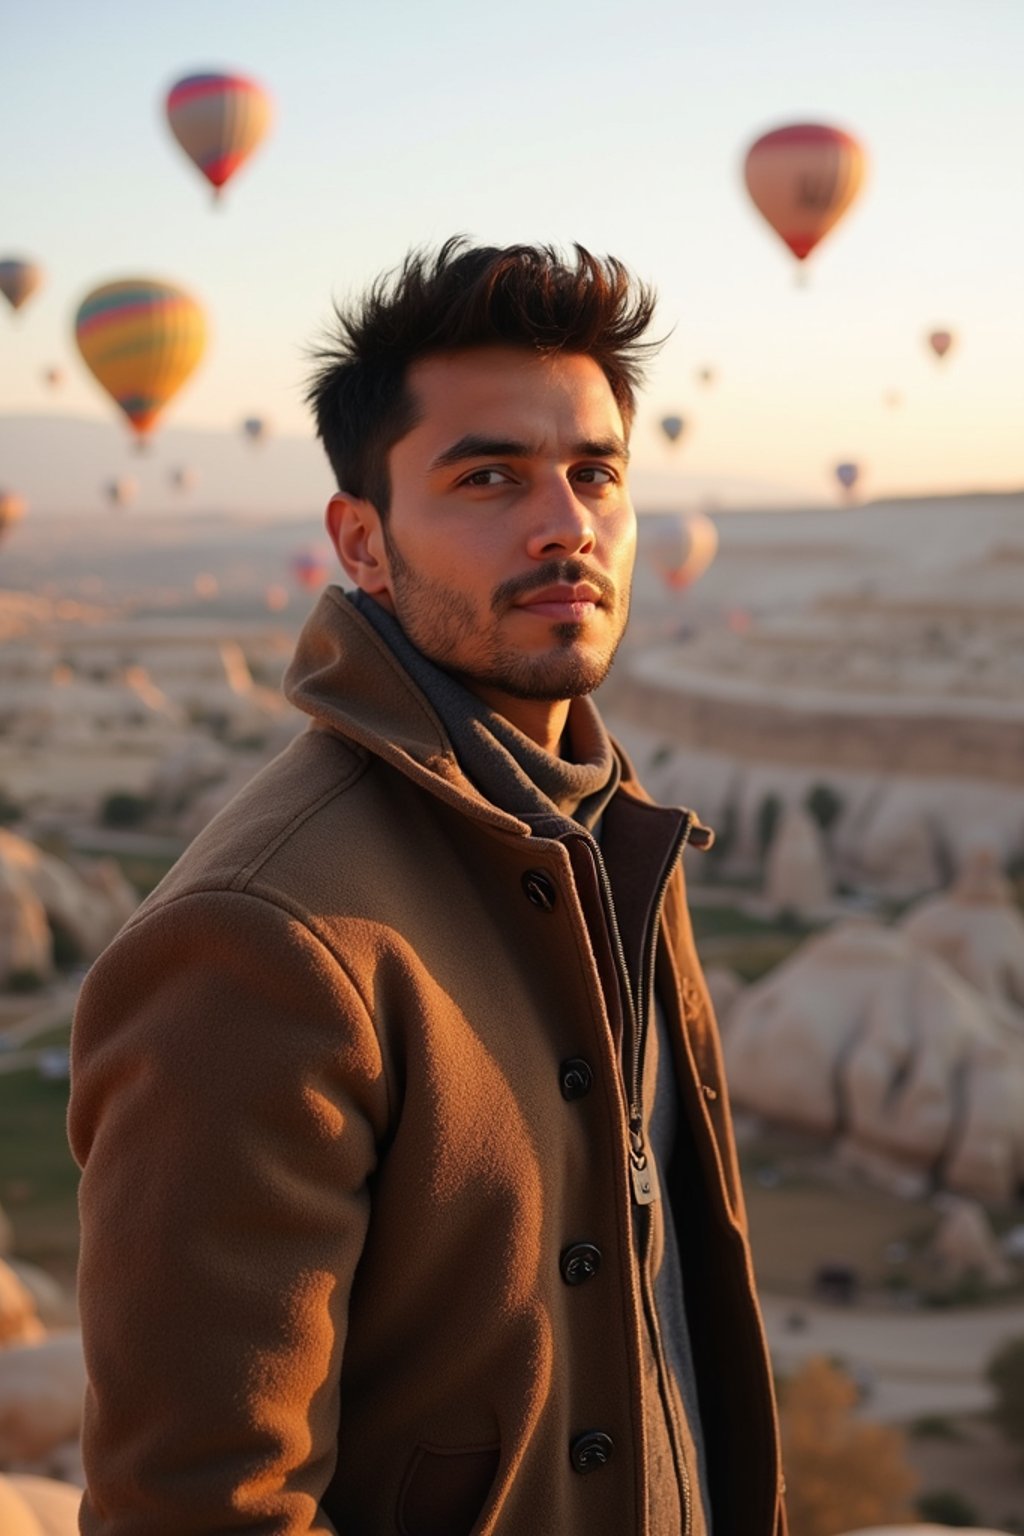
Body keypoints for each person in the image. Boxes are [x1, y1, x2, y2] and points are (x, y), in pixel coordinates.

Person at [69, 241, 785, 1536]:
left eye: (595, 474)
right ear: (363, 542)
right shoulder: (267, 936)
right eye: (489, 476)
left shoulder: (608, 839)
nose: (563, 520)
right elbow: (198, 1503)